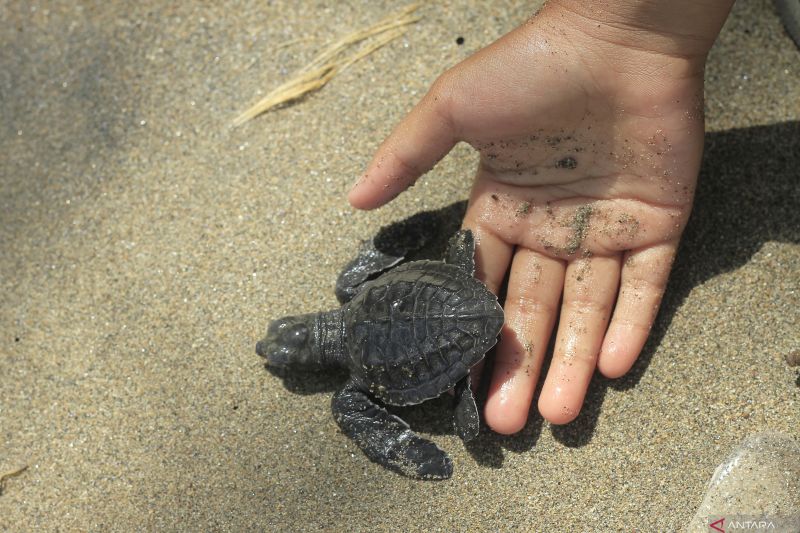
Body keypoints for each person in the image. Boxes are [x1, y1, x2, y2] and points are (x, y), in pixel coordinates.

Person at [348, 0, 736, 434]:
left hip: (438, 324)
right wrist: (621, 32)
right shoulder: (352, 288)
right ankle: (465, 386)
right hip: (443, 291)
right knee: (460, 258)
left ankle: (465, 400)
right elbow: (388, 254)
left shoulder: (352, 397)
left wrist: (607, 33)